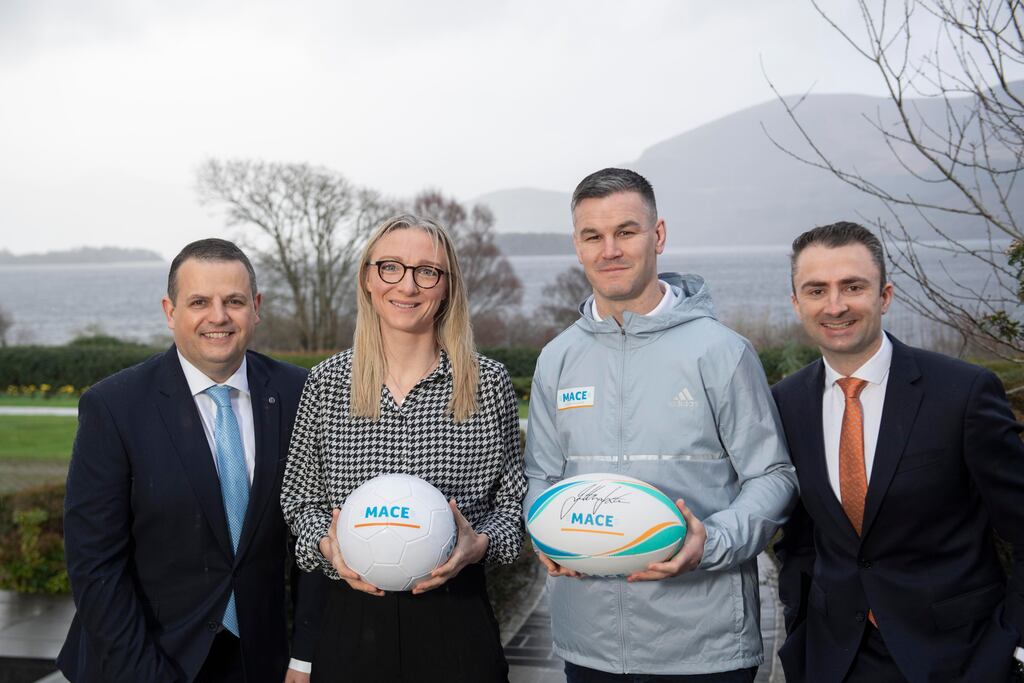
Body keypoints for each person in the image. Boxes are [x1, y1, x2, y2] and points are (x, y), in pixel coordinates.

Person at [523, 168, 798, 681]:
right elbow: (541, 475)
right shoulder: (557, 359)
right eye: (593, 236)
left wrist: (710, 542)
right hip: (588, 645)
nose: (610, 250)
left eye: (626, 231)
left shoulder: (723, 352)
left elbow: (774, 477)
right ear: (578, 247)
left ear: (659, 235)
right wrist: (544, 534)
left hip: (704, 648)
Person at [58, 238, 325, 683]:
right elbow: (94, 563)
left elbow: (317, 535)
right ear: (170, 311)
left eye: (234, 301)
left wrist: (305, 656)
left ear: (255, 307)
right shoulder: (114, 406)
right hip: (145, 657)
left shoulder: (301, 394)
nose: (218, 316)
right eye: (199, 301)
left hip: (264, 662)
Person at [772, 221, 1024, 682]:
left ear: (884, 295)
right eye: (816, 290)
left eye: (853, 286)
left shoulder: (962, 393)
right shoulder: (784, 403)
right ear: (796, 303)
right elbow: (801, 539)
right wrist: (800, 626)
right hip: (834, 660)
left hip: (959, 658)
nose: (835, 305)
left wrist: (1012, 645)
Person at [280, 214, 526, 683]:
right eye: (391, 267)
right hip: (350, 622)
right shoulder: (328, 383)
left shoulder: (486, 382)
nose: (407, 286)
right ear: (368, 278)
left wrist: (480, 545)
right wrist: (328, 548)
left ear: (447, 287)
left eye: (426, 271)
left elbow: (511, 504)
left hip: (456, 620)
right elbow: (300, 500)